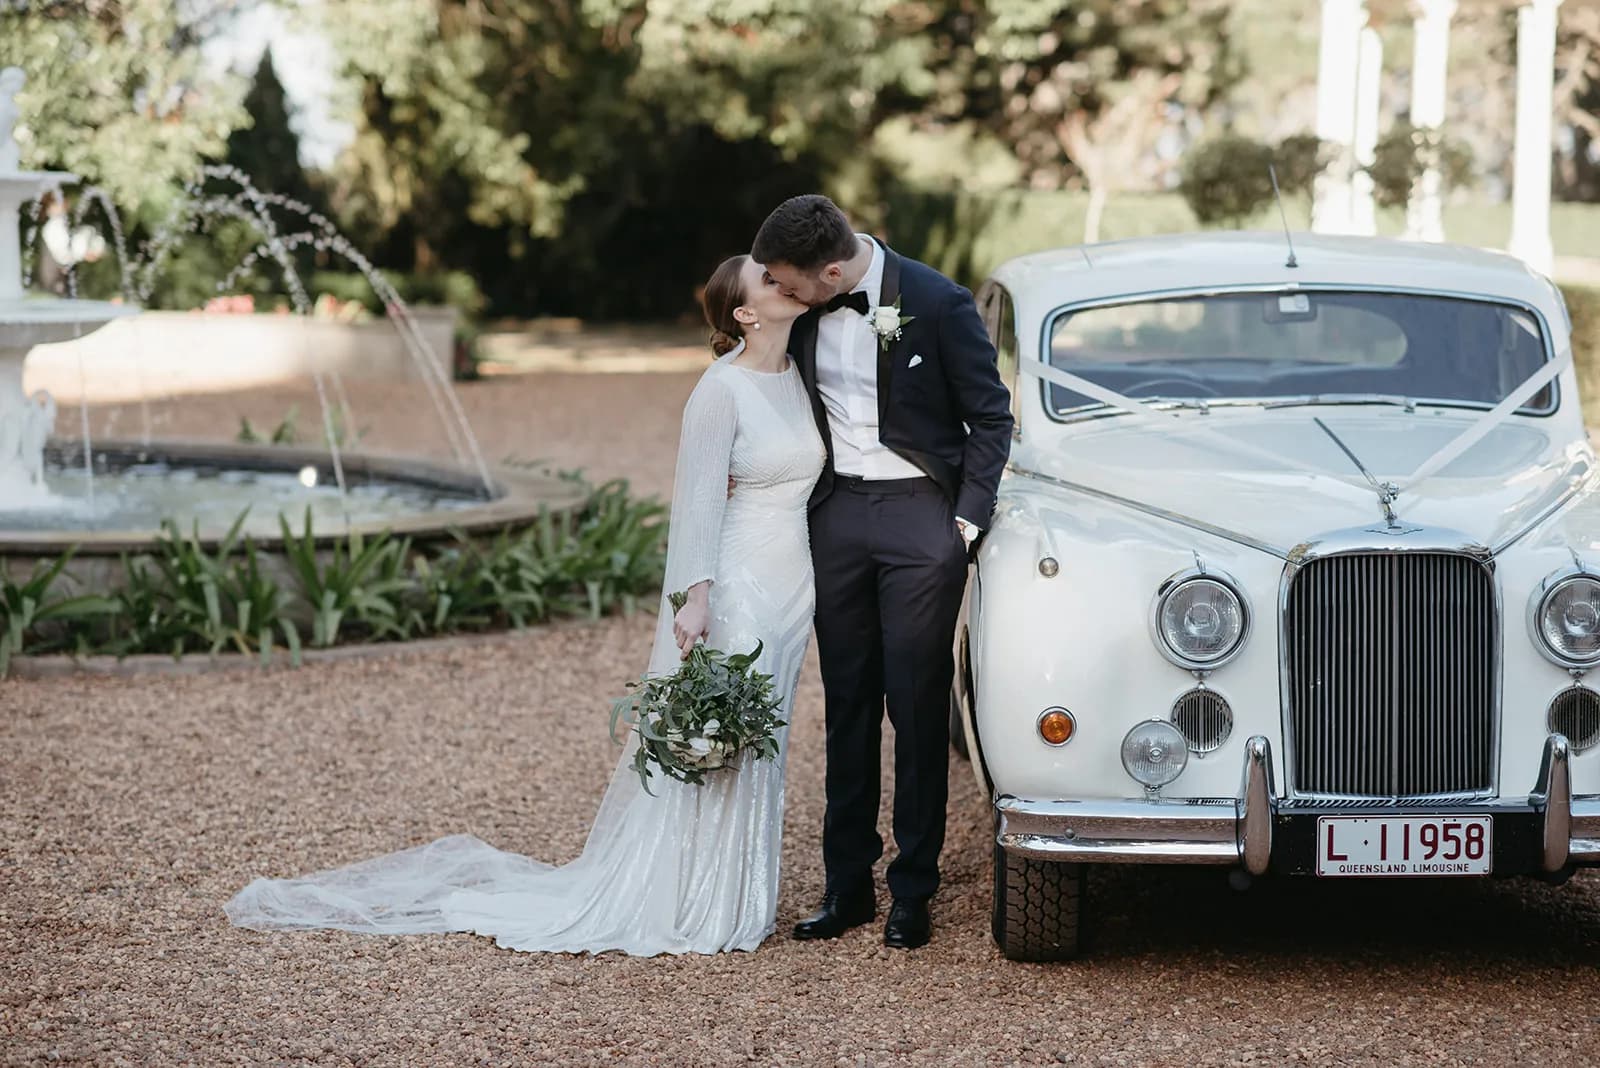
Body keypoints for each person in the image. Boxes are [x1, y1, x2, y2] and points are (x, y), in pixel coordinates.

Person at [224, 255, 823, 956]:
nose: (785, 280)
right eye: (767, 279)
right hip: (738, 585)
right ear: (745, 314)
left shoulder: (795, 376)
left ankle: (737, 889)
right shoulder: (719, 391)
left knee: (765, 741)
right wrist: (695, 599)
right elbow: (694, 502)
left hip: (791, 589)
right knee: (720, 739)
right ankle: (688, 898)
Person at [751, 194, 1012, 950]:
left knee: (917, 701)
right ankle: (847, 887)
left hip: (921, 518)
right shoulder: (802, 306)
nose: (781, 296)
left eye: (790, 285)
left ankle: (914, 889)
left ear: (832, 271)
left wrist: (965, 521)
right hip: (833, 514)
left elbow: (991, 417)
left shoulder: (936, 301)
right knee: (849, 699)